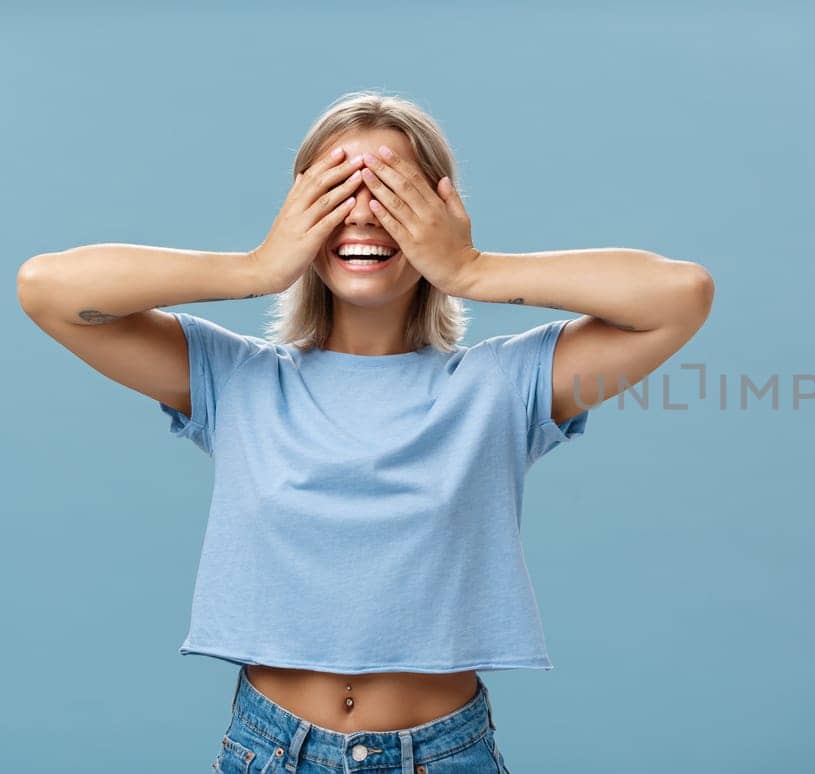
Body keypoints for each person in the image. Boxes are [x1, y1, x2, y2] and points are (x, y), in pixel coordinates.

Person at [15, 90, 714, 772]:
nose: (364, 217)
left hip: (441, 756)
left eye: (391, 192)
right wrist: (257, 266)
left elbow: (681, 297)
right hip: (270, 750)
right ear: (299, 212)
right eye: (338, 190)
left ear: (438, 212)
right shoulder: (236, 379)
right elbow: (48, 288)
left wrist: (473, 269)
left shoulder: (502, 385)